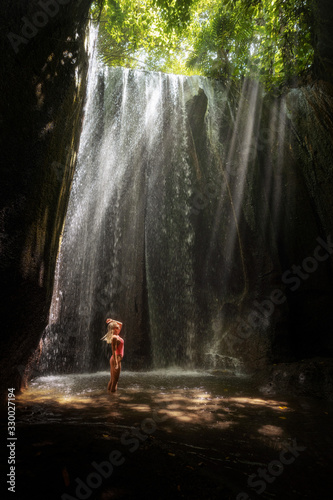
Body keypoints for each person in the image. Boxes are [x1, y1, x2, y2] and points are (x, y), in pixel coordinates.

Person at [101, 318, 124, 393]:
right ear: (114, 328)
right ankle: (113, 399)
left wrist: (112, 321)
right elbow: (113, 351)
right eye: (117, 327)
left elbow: (121, 323)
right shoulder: (114, 337)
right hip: (116, 359)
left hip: (114, 359)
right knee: (115, 381)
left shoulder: (116, 335)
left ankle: (109, 395)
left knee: (112, 380)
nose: (119, 327)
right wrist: (116, 363)